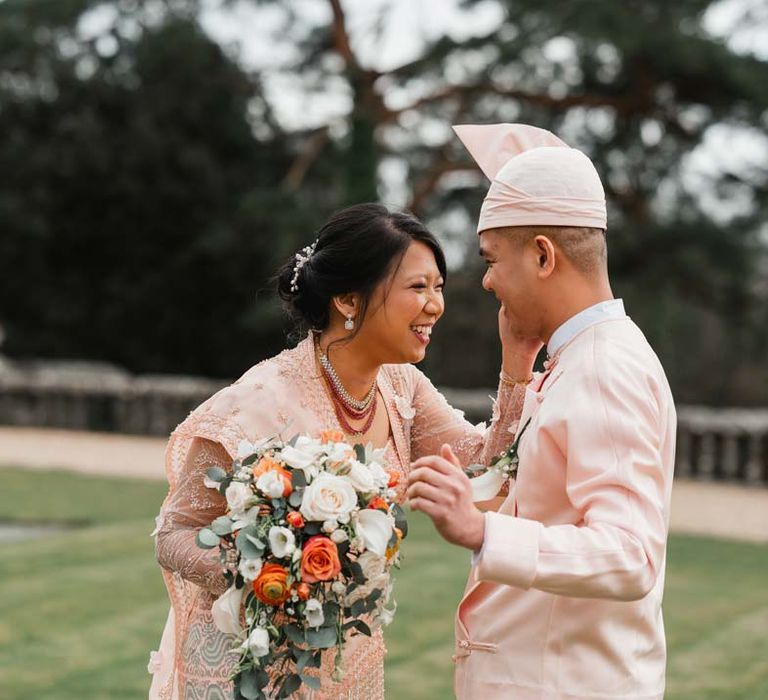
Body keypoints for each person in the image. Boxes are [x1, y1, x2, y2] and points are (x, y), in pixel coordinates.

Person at [148, 202, 531, 699]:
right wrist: (269, 573)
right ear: (348, 300)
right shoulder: (258, 403)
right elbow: (175, 531)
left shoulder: (402, 387)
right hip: (245, 669)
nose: (435, 304)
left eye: (439, 287)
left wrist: (518, 361)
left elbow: (485, 470)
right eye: (417, 287)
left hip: (344, 664)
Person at [407, 124, 677, 700]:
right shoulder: (579, 356)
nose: (485, 281)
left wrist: (481, 532)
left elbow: (630, 555)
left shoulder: (605, 368)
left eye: (491, 259)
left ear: (542, 255)